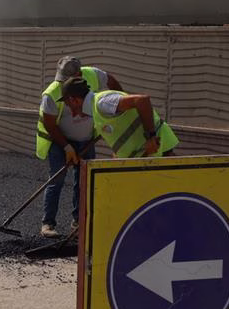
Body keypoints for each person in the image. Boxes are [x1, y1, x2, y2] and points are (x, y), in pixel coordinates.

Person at [35, 57, 125, 236]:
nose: (61, 82)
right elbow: (50, 124)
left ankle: (78, 223)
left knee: (84, 183)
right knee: (56, 180)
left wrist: (119, 106)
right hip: (60, 141)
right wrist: (67, 147)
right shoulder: (52, 93)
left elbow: (112, 82)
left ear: (78, 74)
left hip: (86, 139)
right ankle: (48, 224)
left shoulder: (93, 75)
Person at [59, 76, 179, 162]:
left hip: (158, 150)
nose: (74, 114)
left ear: (74, 100)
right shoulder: (97, 111)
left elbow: (142, 100)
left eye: (70, 107)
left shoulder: (102, 103)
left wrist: (151, 136)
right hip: (146, 157)